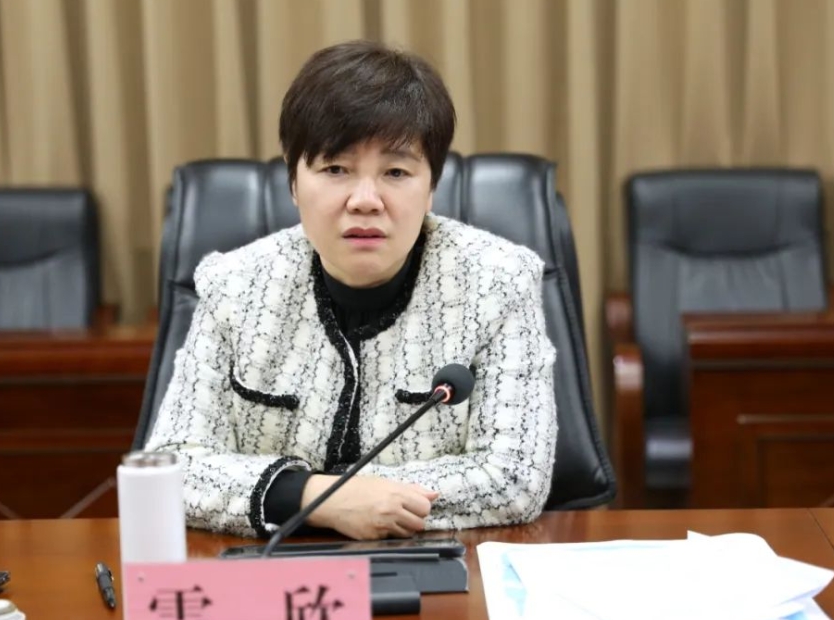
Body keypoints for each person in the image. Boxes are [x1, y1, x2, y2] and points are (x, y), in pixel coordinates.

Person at [145, 40, 558, 540]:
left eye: (396, 172)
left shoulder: (498, 282)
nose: (365, 201)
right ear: (294, 182)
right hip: (272, 569)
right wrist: (320, 498)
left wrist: (366, 500)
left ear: (431, 187)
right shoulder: (233, 288)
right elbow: (167, 472)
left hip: (436, 565)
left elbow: (515, 476)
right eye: (336, 169)